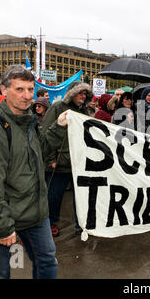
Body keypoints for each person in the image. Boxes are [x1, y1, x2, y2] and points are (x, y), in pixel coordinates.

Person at [0, 65, 68, 279]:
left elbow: (40, 150)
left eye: (30, 89)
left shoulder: (29, 121)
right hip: (4, 217)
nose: (27, 96)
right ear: (4, 91)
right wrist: (2, 226)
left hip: (35, 213)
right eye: (19, 89)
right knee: (0, 273)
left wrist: (59, 126)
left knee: (47, 262)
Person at [41, 81, 92, 238]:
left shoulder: (85, 111)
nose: (83, 96)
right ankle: (50, 223)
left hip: (77, 162)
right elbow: (46, 133)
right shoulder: (57, 107)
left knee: (81, 196)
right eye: (80, 93)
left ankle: (81, 224)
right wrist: (50, 159)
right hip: (58, 162)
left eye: (85, 94)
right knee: (54, 196)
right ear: (72, 94)